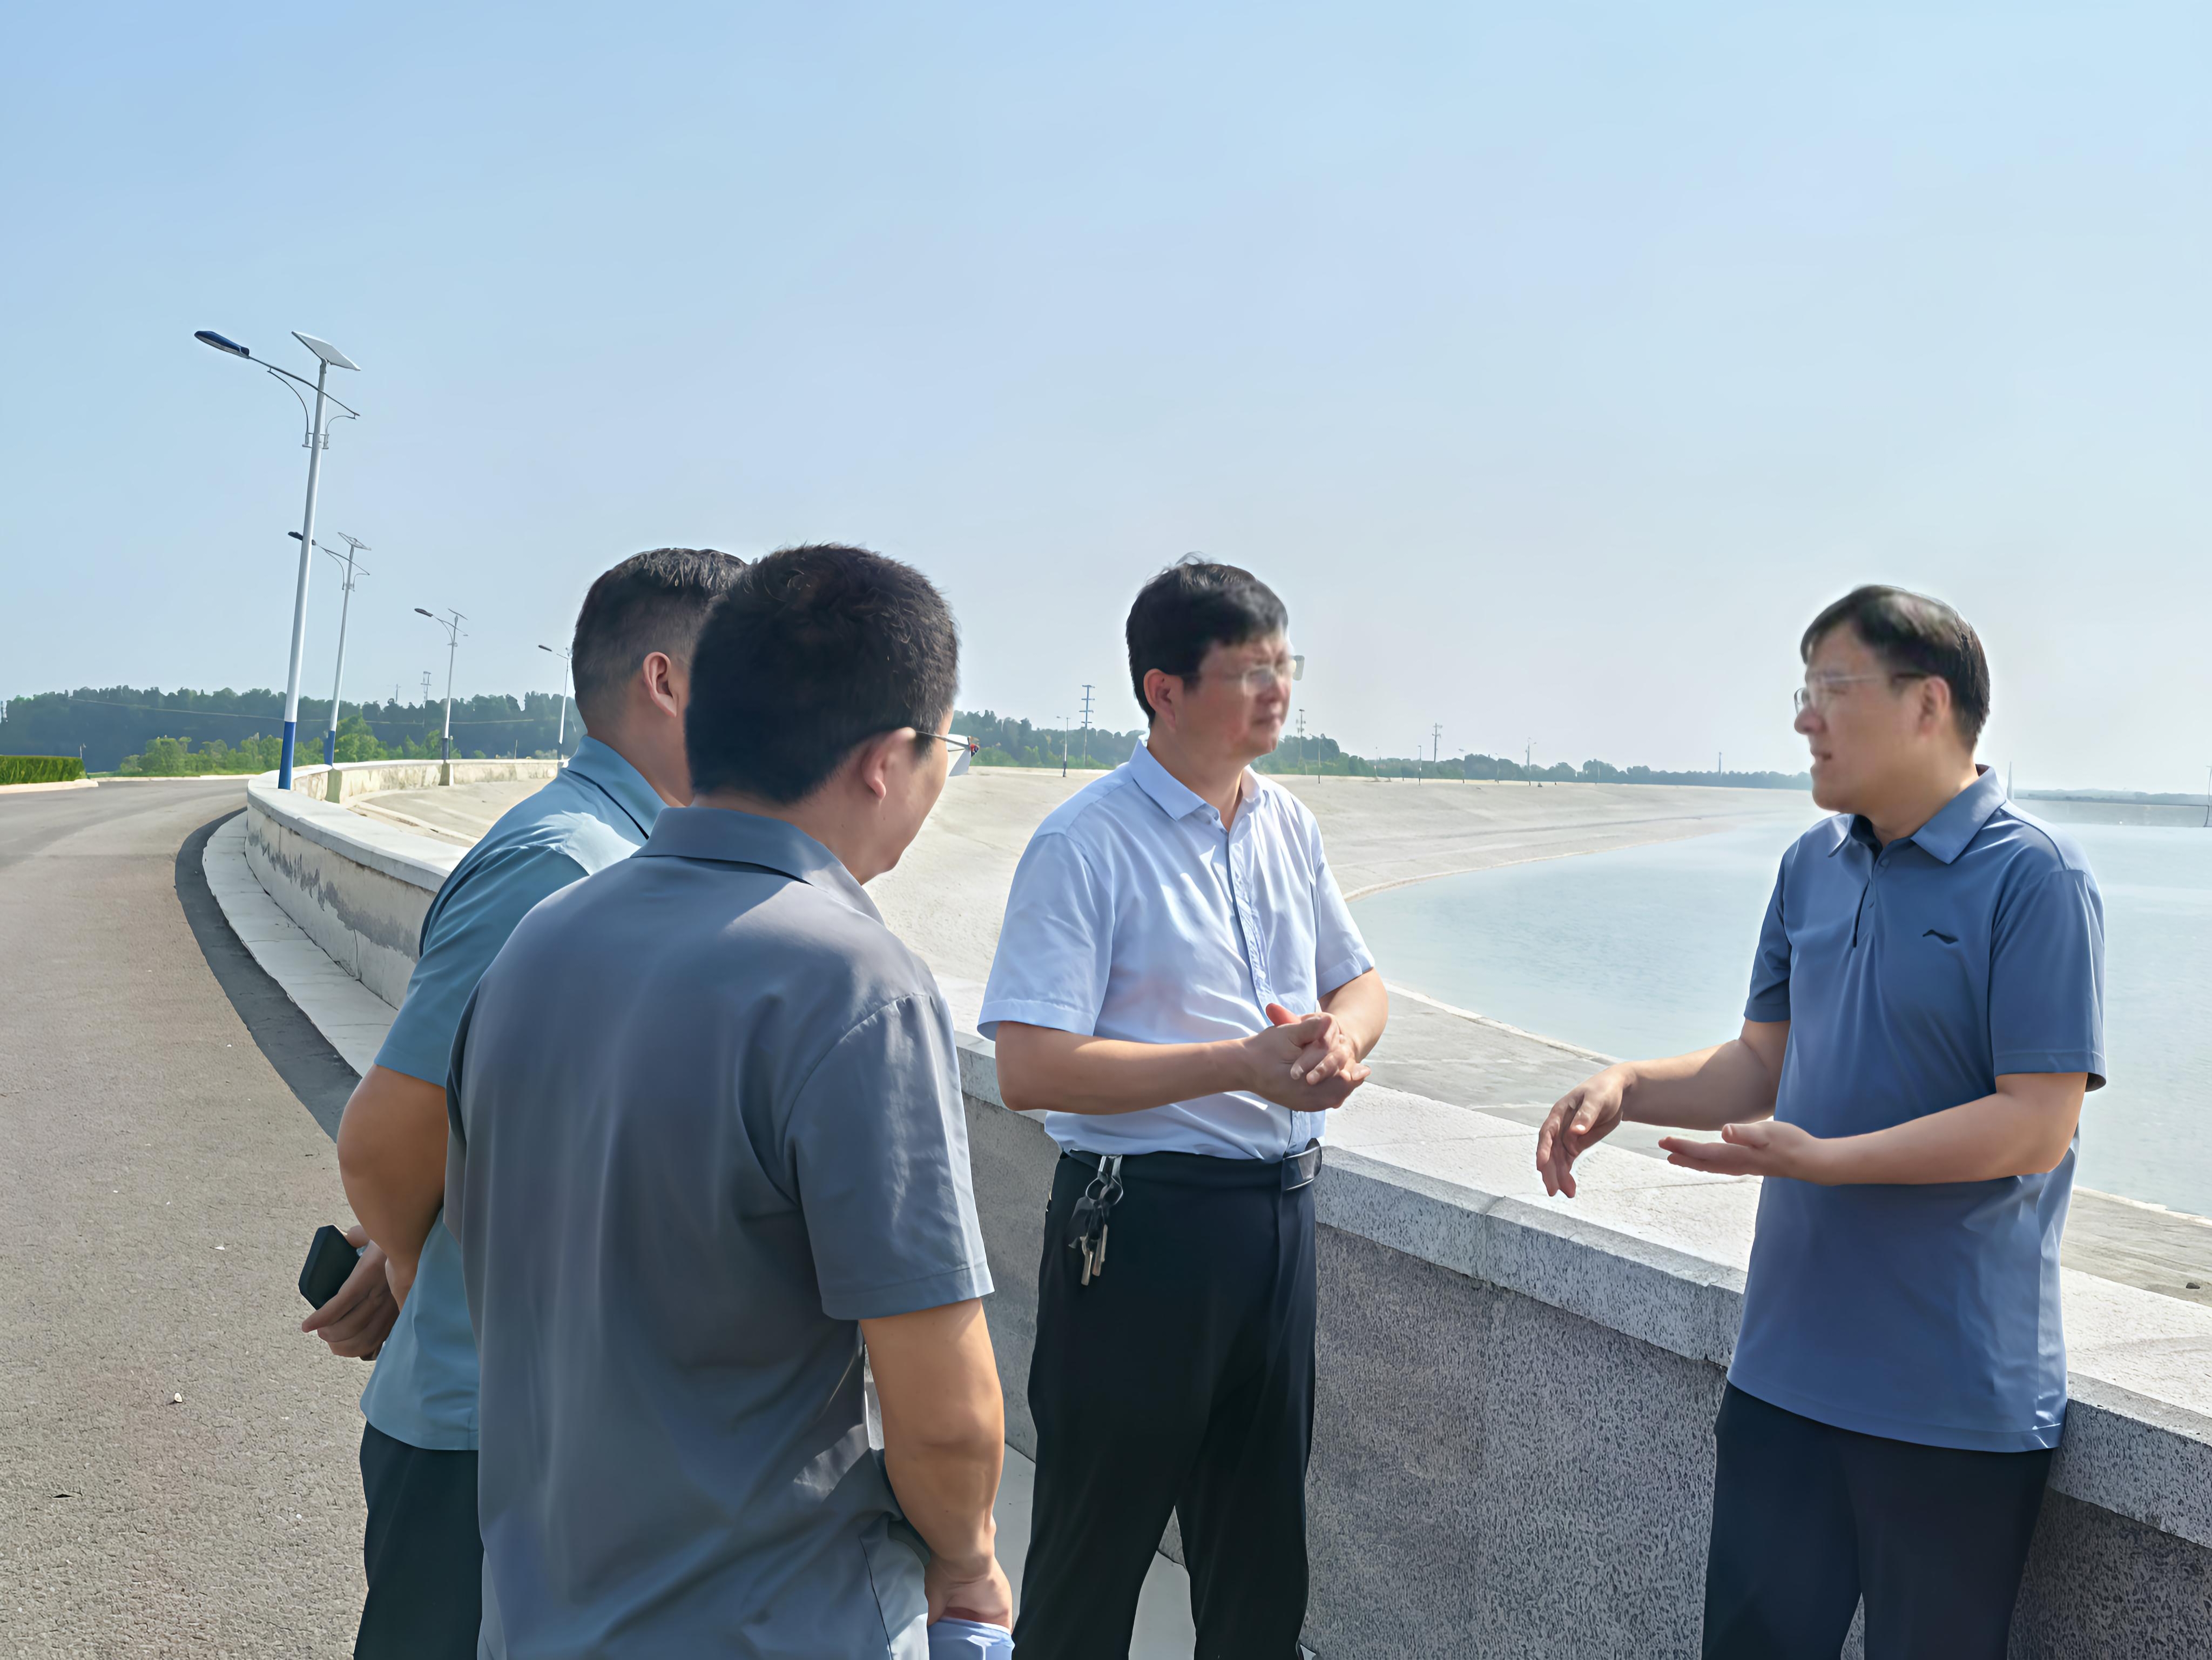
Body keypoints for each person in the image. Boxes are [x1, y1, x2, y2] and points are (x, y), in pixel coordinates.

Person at [446, 543, 1009, 1656]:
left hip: (537, 1616)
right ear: (885, 761)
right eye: (946, 749)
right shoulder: (852, 984)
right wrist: (969, 1560)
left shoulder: (538, 944)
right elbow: (944, 1414)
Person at [1535, 586, 2105, 1660]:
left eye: (1831, 690)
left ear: (1927, 704)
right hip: (1783, 1378)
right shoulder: (1810, 864)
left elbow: (2035, 1122)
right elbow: (1761, 1062)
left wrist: (1826, 1161)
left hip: (1951, 1403)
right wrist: (1626, 1085)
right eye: (1801, 693)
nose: (1804, 719)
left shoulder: (2035, 875)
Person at [311, 547, 745, 1659]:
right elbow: (385, 1140)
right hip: (488, 1442)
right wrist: (425, 1269)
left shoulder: (630, 851)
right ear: (665, 682)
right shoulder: (564, 866)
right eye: (752, 671)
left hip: (556, 1433)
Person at [981, 557, 1390, 1658]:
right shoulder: (1085, 841)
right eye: (1250, 671)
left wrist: (1341, 1040)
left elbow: (1360, 981)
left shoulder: (1286, 823)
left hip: (1279, 1222)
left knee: (1261, 1568)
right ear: (1163, 689)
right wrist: (1239, 1066)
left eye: (1286, 666)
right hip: (1139, 1229)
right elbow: (1029, 1067)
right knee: (1091, 1560)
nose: (1278, 692)